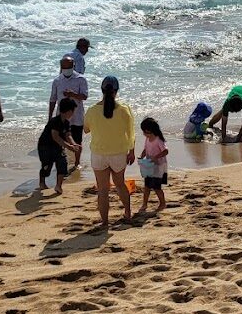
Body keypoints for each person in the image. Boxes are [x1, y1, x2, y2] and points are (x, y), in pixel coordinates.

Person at [83, 76, 135, 229]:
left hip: (99, 154)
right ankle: (127, 213)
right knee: (120, 184)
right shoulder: (124, 110)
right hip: (119, 153)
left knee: (103, 190)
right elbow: (131, 134)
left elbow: (86, 130)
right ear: (116, 91)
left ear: (102, 91)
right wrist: (132, 151)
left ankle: (105, 222)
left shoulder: (92, 111)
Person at [49, 55, 90, 170]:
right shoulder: (57, 80)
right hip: (61, 118)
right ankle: (62, 163)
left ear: (73, 66)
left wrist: (73, 94)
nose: (66, 70)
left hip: (76, 117)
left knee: (77, 141)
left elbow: (84, 96)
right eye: (64, 67)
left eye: (68, 67)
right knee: (61, 141)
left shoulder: (81, 79)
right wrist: (50, 117)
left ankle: (77, 163)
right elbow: (52, 99)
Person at [37, 97, 80, 195]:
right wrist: (69, 147)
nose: (73, 114)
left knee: (62, 163)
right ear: (69, 111)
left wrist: (73, 144)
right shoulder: (54, 121)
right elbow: (55, 137)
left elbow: (68, 135)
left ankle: (58, 186)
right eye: (73, 111)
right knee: (46, 166)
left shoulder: (66, 123)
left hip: (58, 147)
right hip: (45, 146)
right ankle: (42, 182)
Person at [137, 117, 168, 214]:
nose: (144, 134)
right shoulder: (147, 139)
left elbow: (165, 151)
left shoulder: (158, 140)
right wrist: (142, 155)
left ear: (151, 131)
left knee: (157, 187)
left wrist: (156, 157)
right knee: (146, 186)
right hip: (149, 166)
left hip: (159, 167)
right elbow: (146, 149)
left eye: (145, 132)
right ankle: (144, 204)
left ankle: (162, 203)